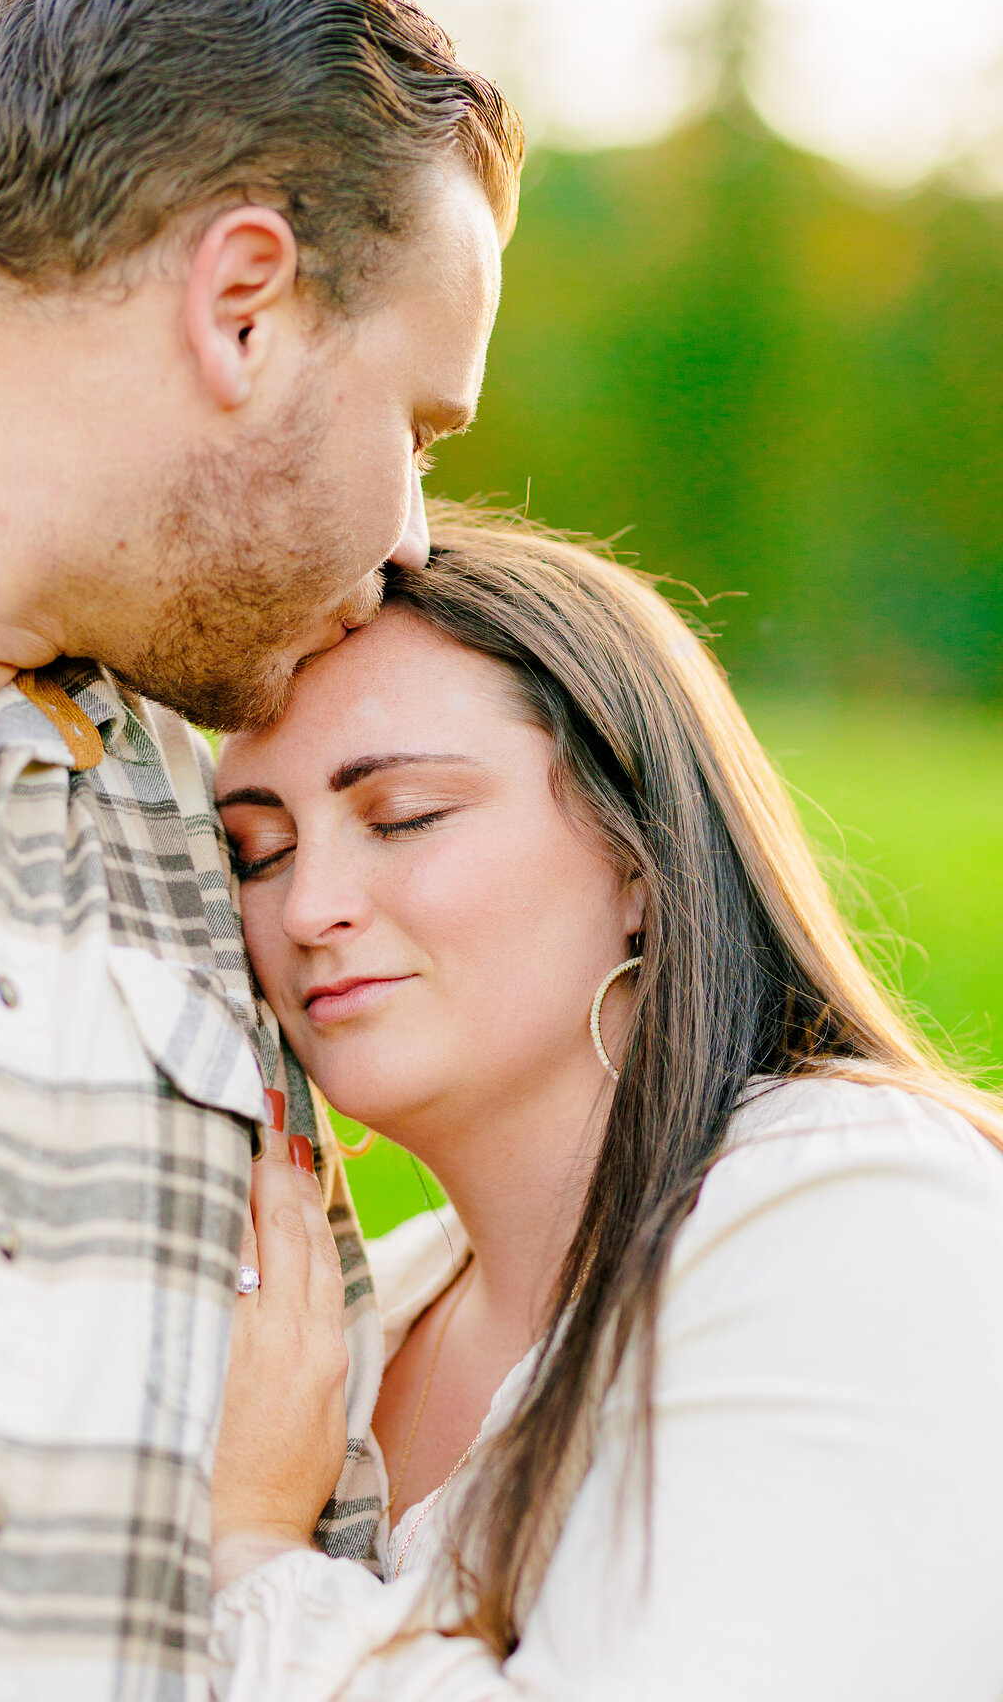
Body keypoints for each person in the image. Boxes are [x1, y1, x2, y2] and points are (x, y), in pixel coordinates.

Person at [0, 0, 522, 1698]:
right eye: (419, 430)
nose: (414, 536)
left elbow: (312, 1550)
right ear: (245, 304)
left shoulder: (219, 851)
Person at [209, 512, 1003, 1701]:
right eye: (257, 852)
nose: (309, 905)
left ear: (639, 854)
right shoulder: (361, 1312)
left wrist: (248, 1557)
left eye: (403, 818)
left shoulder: (863, 1211)